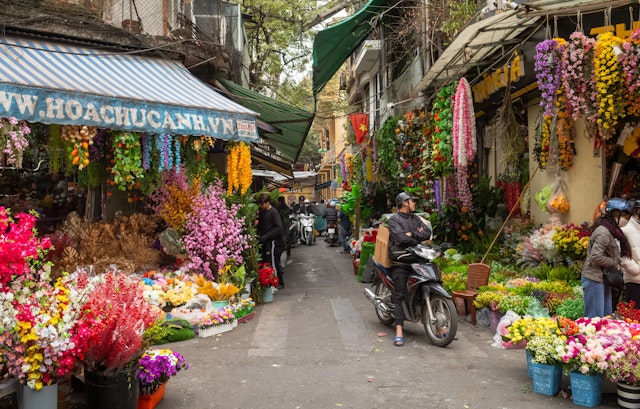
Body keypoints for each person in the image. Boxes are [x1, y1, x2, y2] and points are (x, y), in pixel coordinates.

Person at [387, 192, 432, 347]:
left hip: (417, 258)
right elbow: (400, 239)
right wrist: (417, 237)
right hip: (401, 261)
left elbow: (428, 232)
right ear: (405, 203)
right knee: (399, 295)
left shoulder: (415, 218)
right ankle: (399, 331)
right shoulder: (393, 220)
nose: (414, 203)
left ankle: (437, 327)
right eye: (412, 201)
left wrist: (412, 233)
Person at [582, 198, 632, 318]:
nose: (627, 220)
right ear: (616, 215)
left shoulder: (611, 231)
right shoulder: (604, 233)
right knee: (595, 319)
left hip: (603, 277)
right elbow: (596, 256)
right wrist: (615, 261)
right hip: (594, 278)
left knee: (606, 317)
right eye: (625, 216)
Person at [257, 193, 286, 289]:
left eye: (262, 204)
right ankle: (271, 281)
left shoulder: (273, 212)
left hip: (274, 242)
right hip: (266, 241)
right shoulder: (263, 212)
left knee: (274, 262)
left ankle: (277, 282)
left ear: (268, 202)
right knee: (268, 262)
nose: (261, 206)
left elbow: (279, 228)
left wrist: (267, 236)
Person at [621, 199, 640, 307]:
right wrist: (636, 270)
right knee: (634, 318)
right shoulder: (625, 230)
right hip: (634, 280)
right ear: (637, 210)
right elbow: (621, 254)